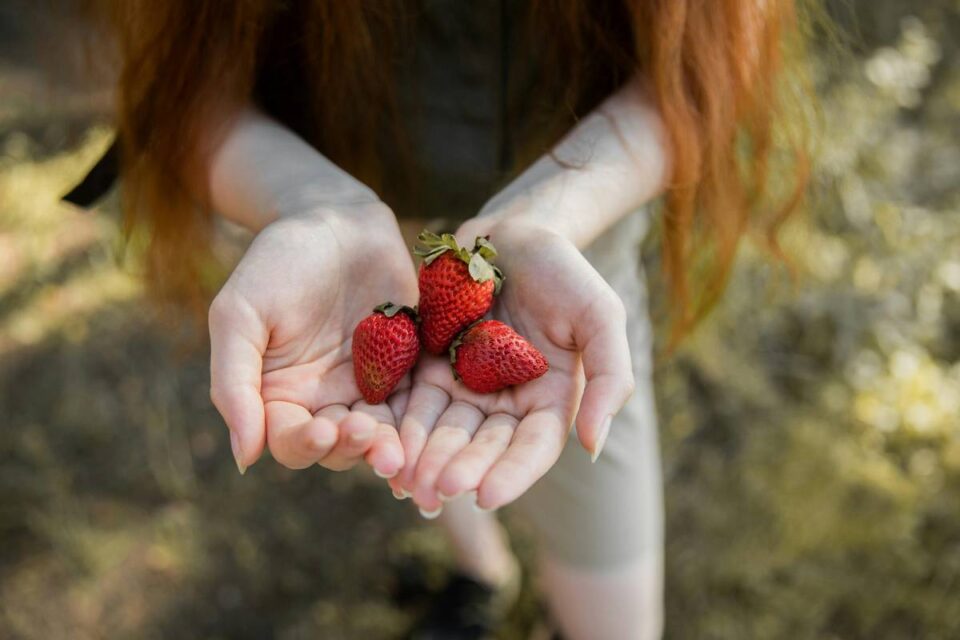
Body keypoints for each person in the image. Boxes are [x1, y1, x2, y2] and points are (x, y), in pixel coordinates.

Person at [76, 1, 810, 637]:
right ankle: (483, 570)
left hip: (575, 225)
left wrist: (548, 214)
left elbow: (710, 56)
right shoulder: (364, 305)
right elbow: (181, 86)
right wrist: (310, 201)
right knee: (393, 418)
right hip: (339, 200)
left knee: (608, 582)